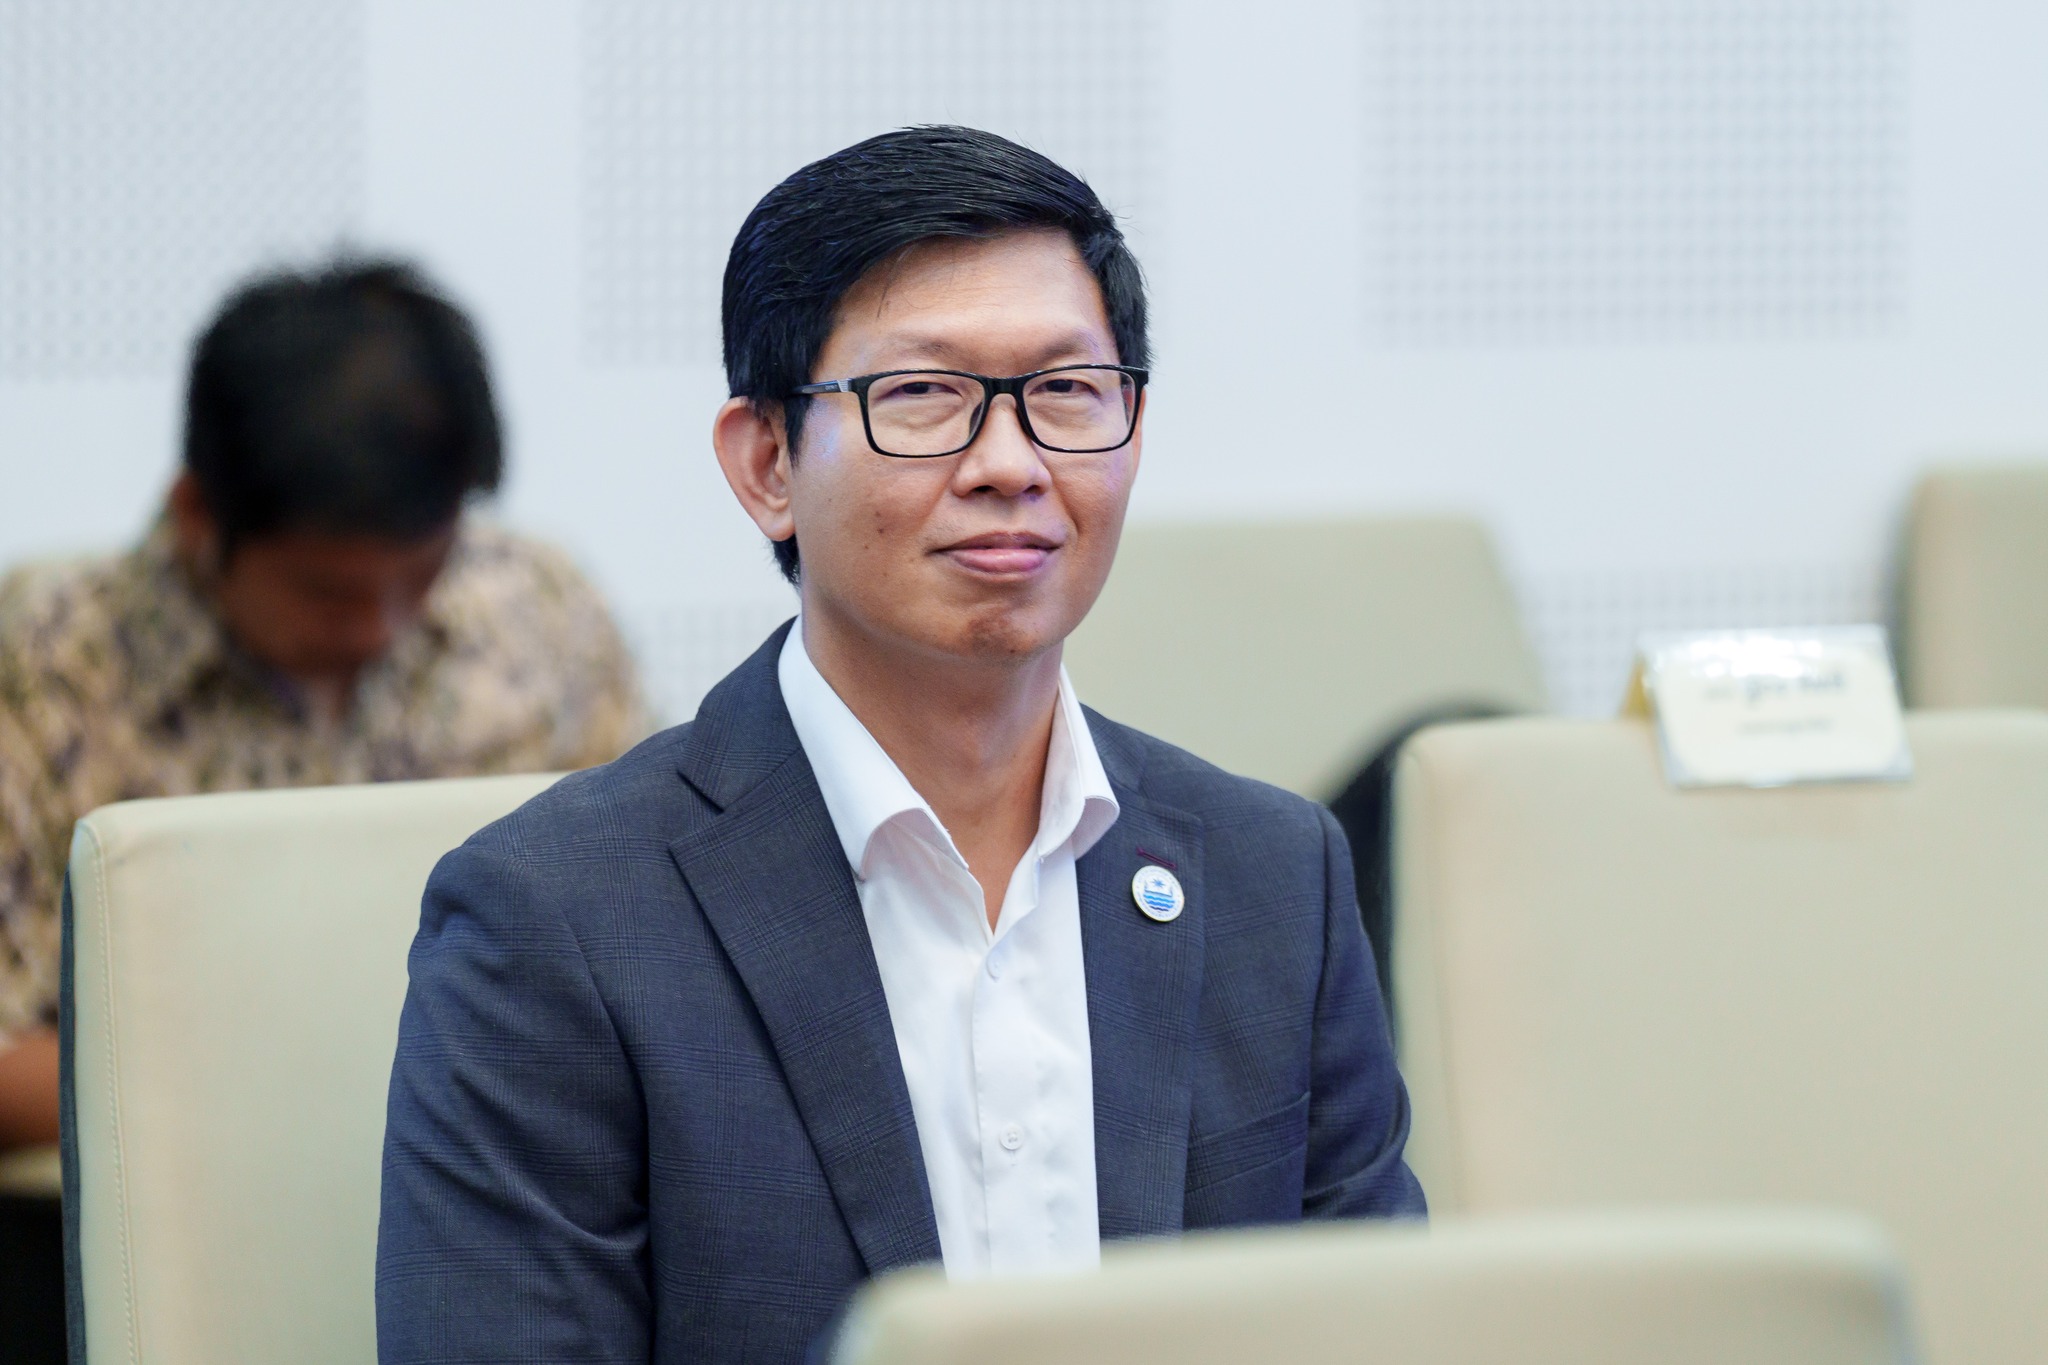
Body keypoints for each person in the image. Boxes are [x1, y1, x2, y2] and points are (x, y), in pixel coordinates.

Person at [377, 126, 1423, 1364]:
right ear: (766, 462)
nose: (1009, 464)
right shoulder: (557, 922)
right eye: (922, 396)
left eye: (1067, 392)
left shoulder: (1274, 880)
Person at [0, 260, 645, 1148]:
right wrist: (279, 1091)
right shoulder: (45, 667)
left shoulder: (540, 613)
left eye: (424, 573)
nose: (384, 624)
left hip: (508, 1171)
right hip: (177, 1193)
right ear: (198, 513)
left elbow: (651, 940)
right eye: (329, 594)